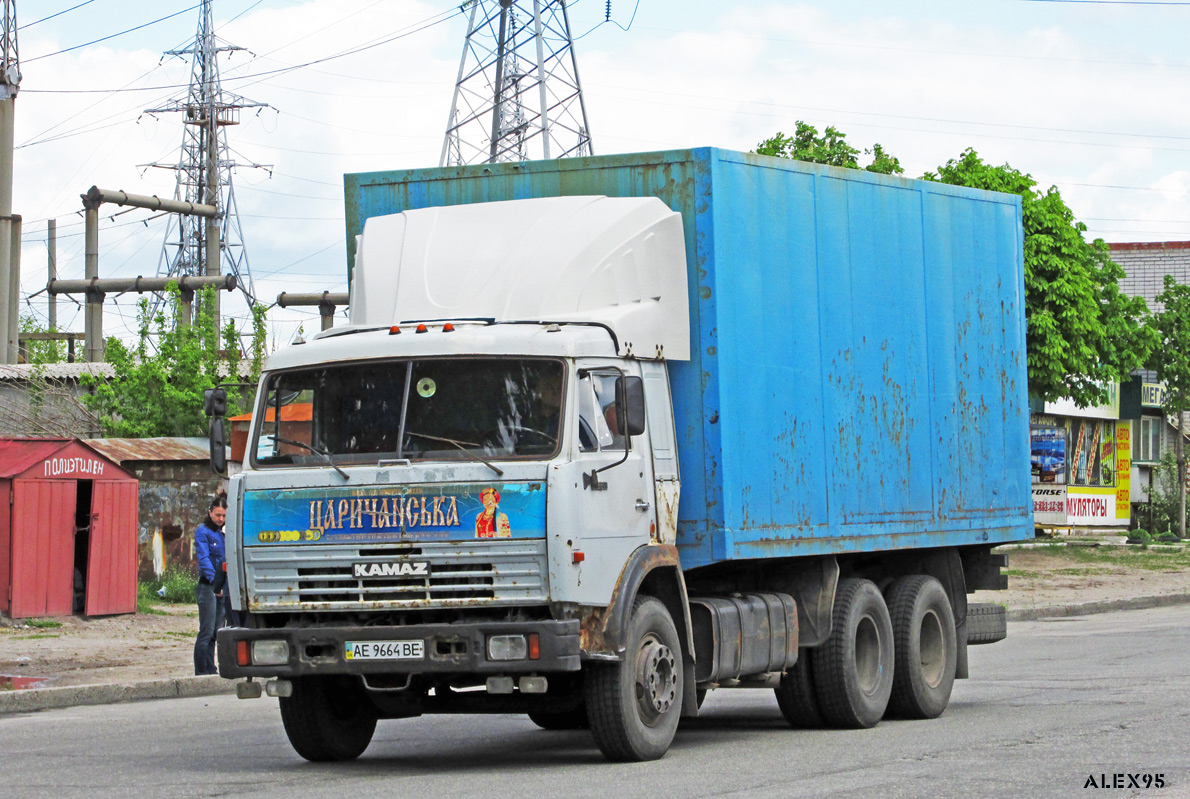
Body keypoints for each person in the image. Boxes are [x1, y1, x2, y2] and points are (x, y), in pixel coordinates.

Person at [193, 494, 228, 675]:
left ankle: (211, 668)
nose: (220, 519)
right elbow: (204, 559)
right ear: (210, 513)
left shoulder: (224, 533)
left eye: (223, 515)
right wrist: (216, 584)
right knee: (206, 631)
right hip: (208, 586)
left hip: (222, 588)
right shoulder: (203, 531)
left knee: (216, 632)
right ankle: (201, 671)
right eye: (217, 515)